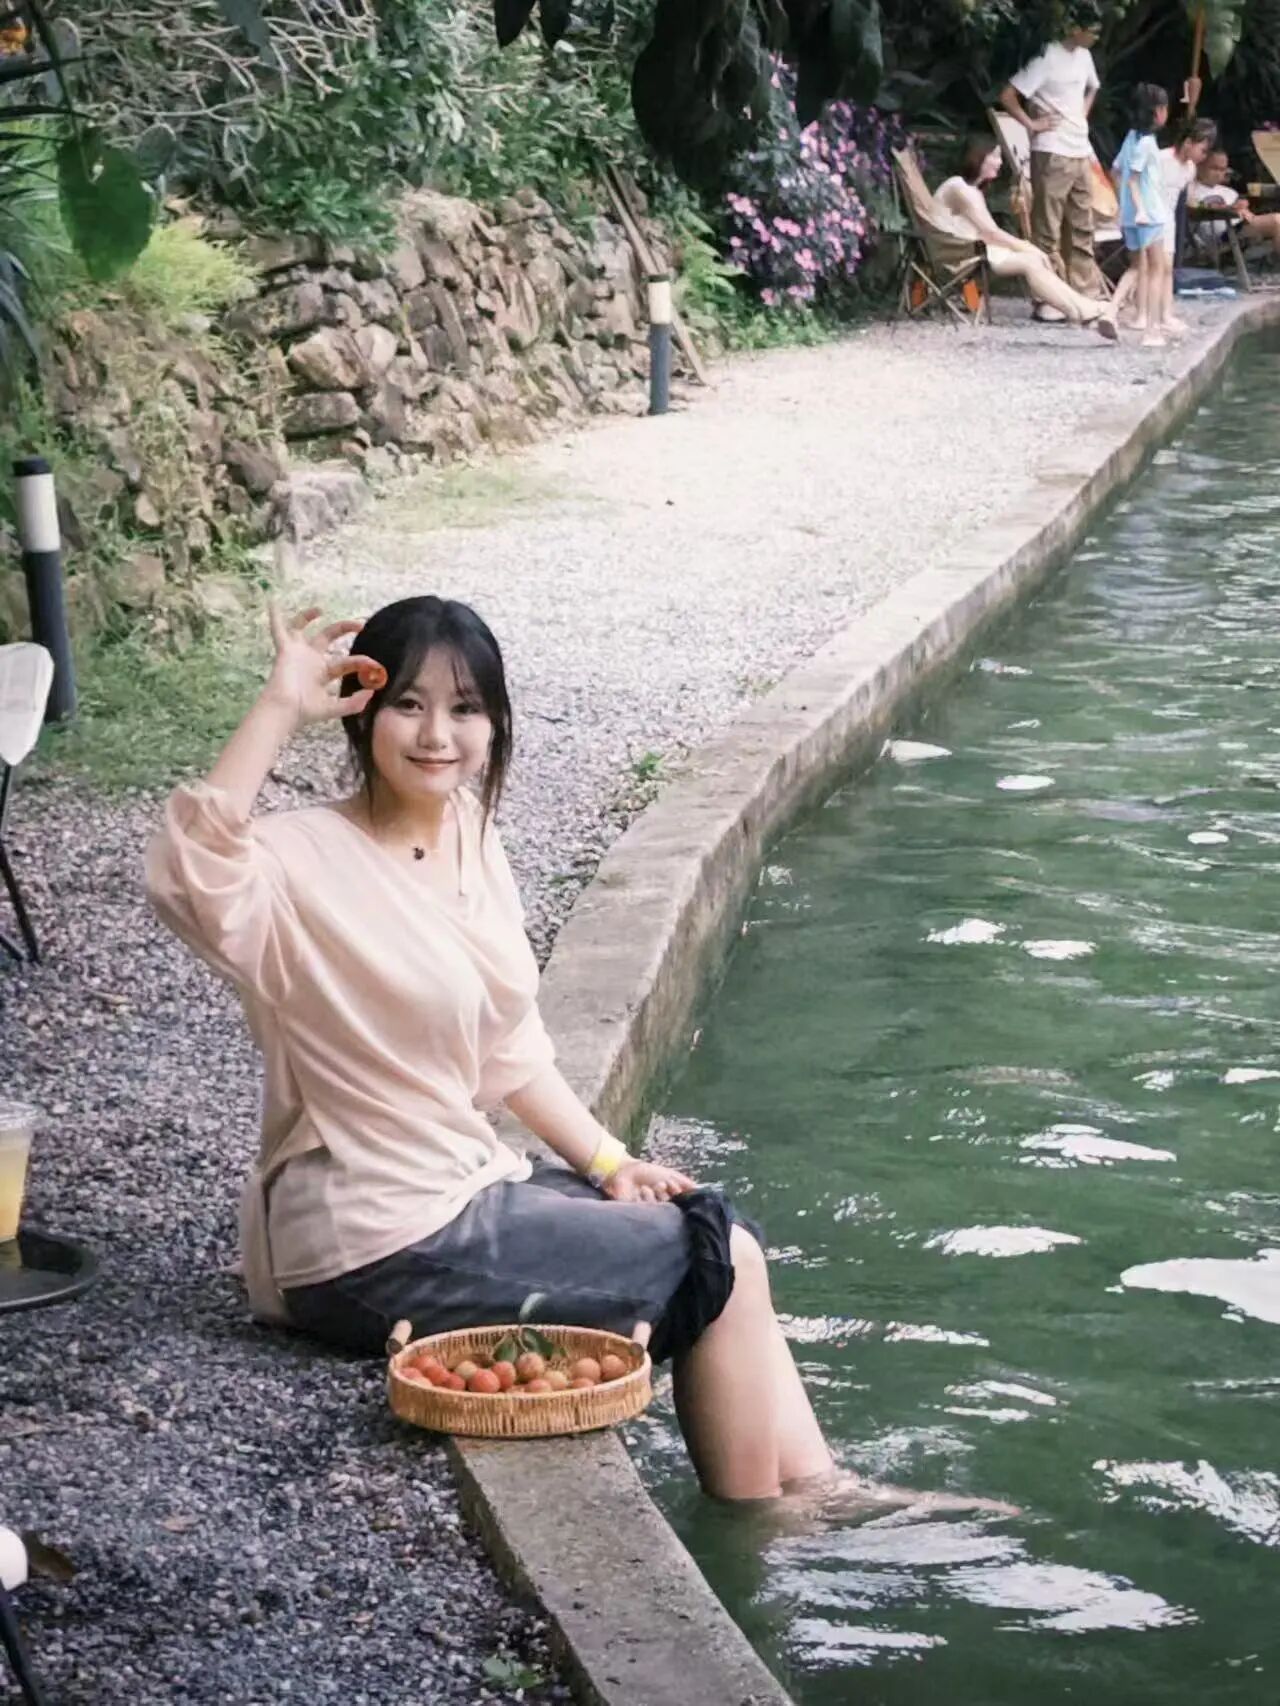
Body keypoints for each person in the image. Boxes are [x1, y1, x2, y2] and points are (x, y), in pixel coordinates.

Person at [145, 596, 1017, 1518]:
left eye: (465, 708)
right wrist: (279, 706)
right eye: (408, 704)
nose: (437, 734)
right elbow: (186, 879)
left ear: (495, 725)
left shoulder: (471, 835)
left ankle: (816, 1486)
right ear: (363, 712)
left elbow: (507, 1047)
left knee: (719, 1227)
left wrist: (608, 1162)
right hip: (371, 1238)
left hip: (458, 1188)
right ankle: (769, 1522)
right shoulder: (299, 859)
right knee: (721, 1259)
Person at [934, 138, 1117, 339]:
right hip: (957, 254)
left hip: (970, 248)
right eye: (994, 156)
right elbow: (991, 233)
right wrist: (1026, 246)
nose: (1000, 162)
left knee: (1034, 259)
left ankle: (1081, 310)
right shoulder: (959, 189)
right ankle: (1082, 310)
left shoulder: (971, 190)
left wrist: (1028, 249)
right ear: (978, 157)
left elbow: (988, 233)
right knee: (1032, 260)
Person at [999, 2, 1105, 316]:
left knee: (1082, 225)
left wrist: (1080, 116)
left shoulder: (1084, 57)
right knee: (1047, 227)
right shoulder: (1047, 56)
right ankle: (1049, 299)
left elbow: (1093, 87)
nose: (1096, 37)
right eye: (1092, 31)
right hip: (1052, 149)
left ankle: (1084, 294)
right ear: (1075, 28)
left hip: (1079, 148)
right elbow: (1008, 95)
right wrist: (1032, 124)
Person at [1111, 116, 1217, 333]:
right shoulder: (1160, 158)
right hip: (1148, 215)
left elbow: (1179, 197)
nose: (1204, 156)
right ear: (1188, 142)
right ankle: (1141, 315)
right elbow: (1131, 178)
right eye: (1203, 150)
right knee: (1145, 266)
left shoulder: (1189, 169)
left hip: (1167, 218)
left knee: (1167, 267)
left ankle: (1165, 314)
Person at [1113, 83, 1170, 347]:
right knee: (1157, 268)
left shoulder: (1130, 138)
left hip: (1129, 214)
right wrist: (1142, 209)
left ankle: (1111, 311)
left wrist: (1122, 206)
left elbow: (1116, 171)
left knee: (1136, 267)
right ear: (1158, 112)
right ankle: (1152, 330)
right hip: (1149, 214)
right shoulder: (1147, 143)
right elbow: (1133, 180)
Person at [1188, 146, 1280, 261]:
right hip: (1221, 237)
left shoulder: (1230, 192)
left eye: (1222, 169)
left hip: (1239, 232)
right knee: (1276, 220)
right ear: (1199, 165)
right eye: (1214, 168)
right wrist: (1227, 208)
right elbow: (1192, 205)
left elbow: (1248, 217)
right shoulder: (1190, 189)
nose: (1218, 173)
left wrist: (1243, 209)